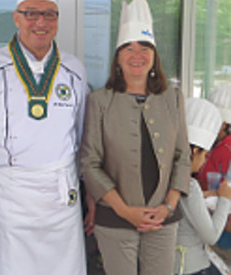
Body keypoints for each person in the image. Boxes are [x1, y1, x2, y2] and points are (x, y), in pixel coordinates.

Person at [0, 0, 89, 274]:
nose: (40, 22)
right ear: (16, 18)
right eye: (31, 14)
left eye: (49, 15)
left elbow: (81, 138)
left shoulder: (74, 69)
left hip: (61, 197)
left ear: (57, 20)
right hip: (8, 198)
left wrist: (89, 194)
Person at [79, 0, 191, 274]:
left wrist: (168, 205)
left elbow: (183, 156)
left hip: (162, 218)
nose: (137, 55)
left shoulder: (172, 98)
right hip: (115, 218)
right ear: (118, 57)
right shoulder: (99, 101)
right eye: (129, 48)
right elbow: (89, 163)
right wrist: (124, 210)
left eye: (144, 48)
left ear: (154, 56)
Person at [174, 98, 231, 275]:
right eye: (204, 155)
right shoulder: (188, 185)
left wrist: (202, 195)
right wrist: (225, 199)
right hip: (189, 265)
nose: (205, 161)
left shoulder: (171, 175)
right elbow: (211, 236)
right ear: (193, 151)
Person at [197, 84, 231, 269]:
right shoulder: (210, 145)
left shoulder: (227, 150)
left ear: (224, 124)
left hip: (224, 235)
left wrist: (214, 195)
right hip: (210, 227)